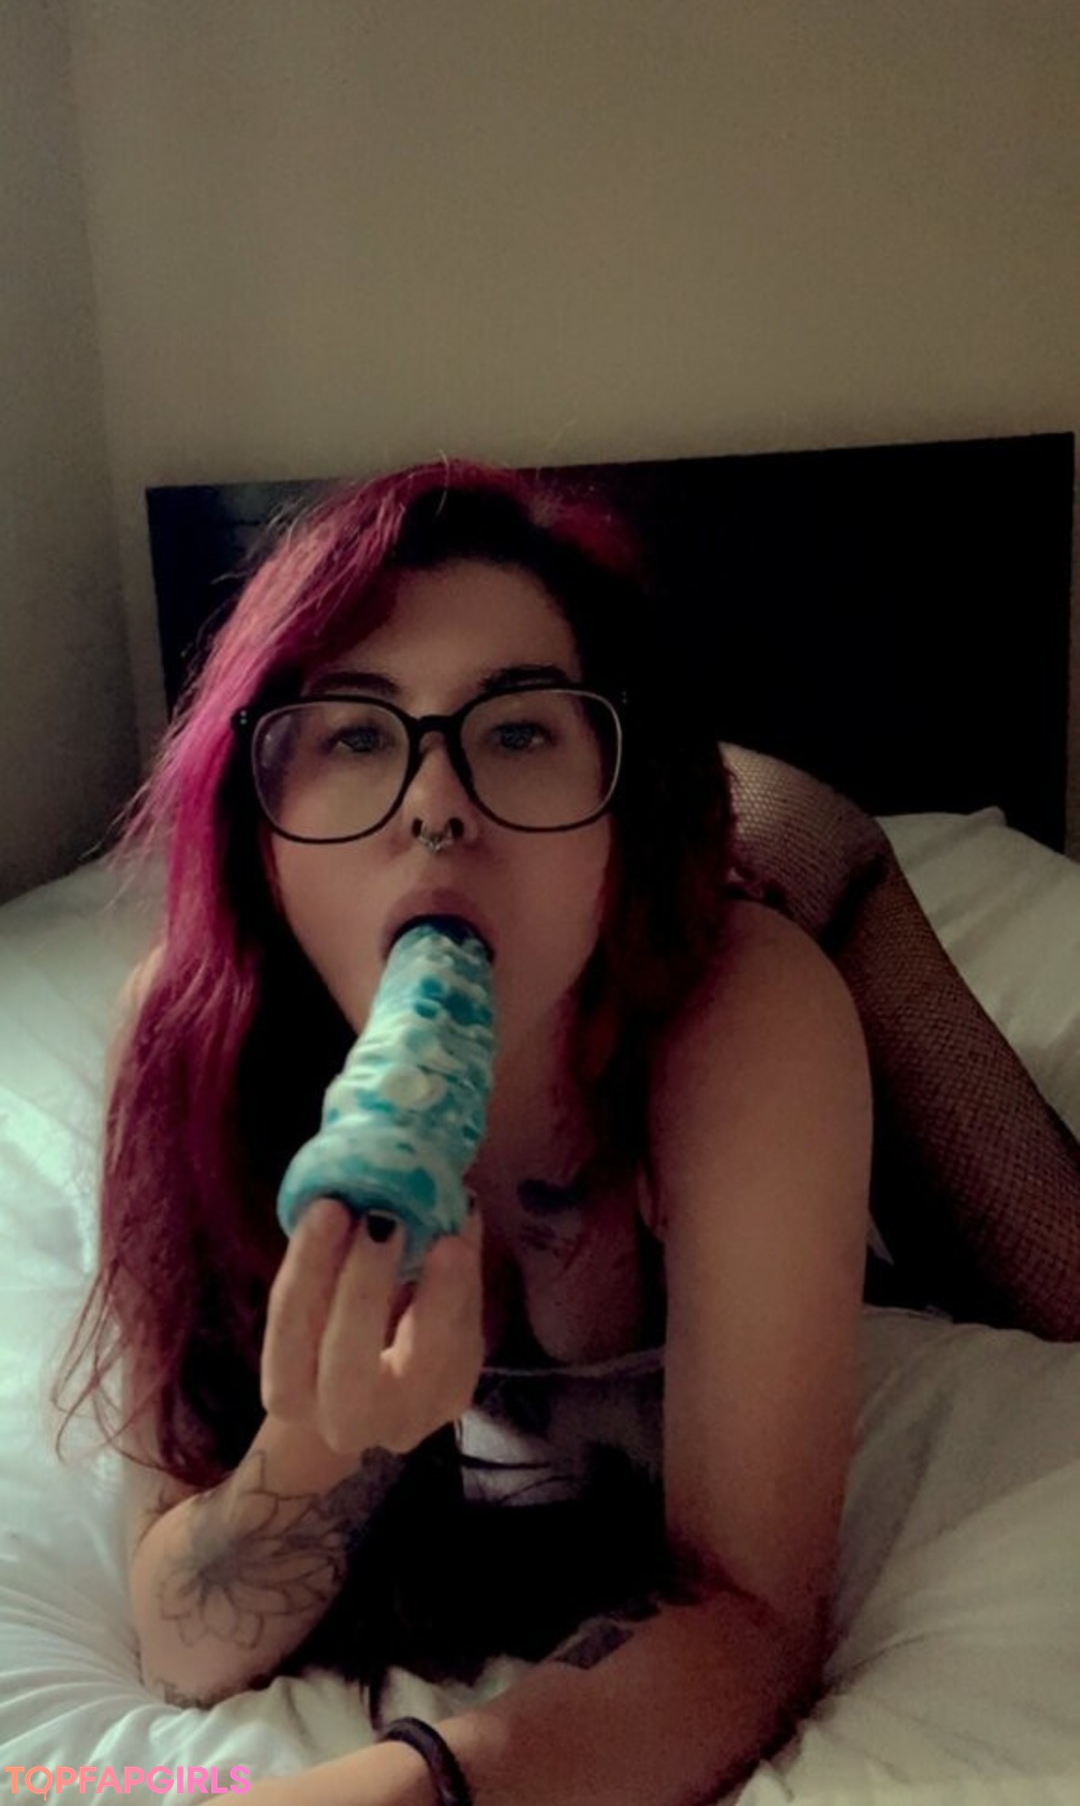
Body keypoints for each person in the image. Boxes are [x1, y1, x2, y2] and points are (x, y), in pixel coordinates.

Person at [54, 459, 872, 1806]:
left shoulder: (740, 1015)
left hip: (788, 866)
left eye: (520, 730)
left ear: (616, 817)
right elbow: (182, 1637)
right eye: (355, 734)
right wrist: (319, 1447)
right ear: (262, 830)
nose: (437, 802)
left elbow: (756, 1606)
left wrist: (418, 1790)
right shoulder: (187, 1041)